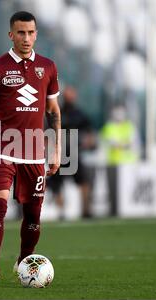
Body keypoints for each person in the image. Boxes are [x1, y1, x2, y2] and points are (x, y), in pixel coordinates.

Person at [0, 11, 61, 287]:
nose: (26, 38)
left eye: (31, 32)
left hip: (34, 151)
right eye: (21, 32)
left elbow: (53, 111)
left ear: (36, 34)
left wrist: (56, 149)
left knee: (33, 215)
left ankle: (24, 262)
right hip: (1, 147)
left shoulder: (48, 67)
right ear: (11, 35)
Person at [46, 86, 96, 219]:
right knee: (56, 185)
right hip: (58, 154)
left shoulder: (79, 114)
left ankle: (86, 210)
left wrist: (89, 141)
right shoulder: (57, 112)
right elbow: (48, 133)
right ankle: (61, 212)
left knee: (84, 181)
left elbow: (89, 131)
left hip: (74, 153)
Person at [101, 105, 139, 216]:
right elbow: (113, 143)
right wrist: (124, 144)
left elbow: (133, 143)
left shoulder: (129, 126)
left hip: (128, 164)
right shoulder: (109, 127)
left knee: (127, 191)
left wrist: (121, 144)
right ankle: (114, 212)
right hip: (113, 164)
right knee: (114, 192)